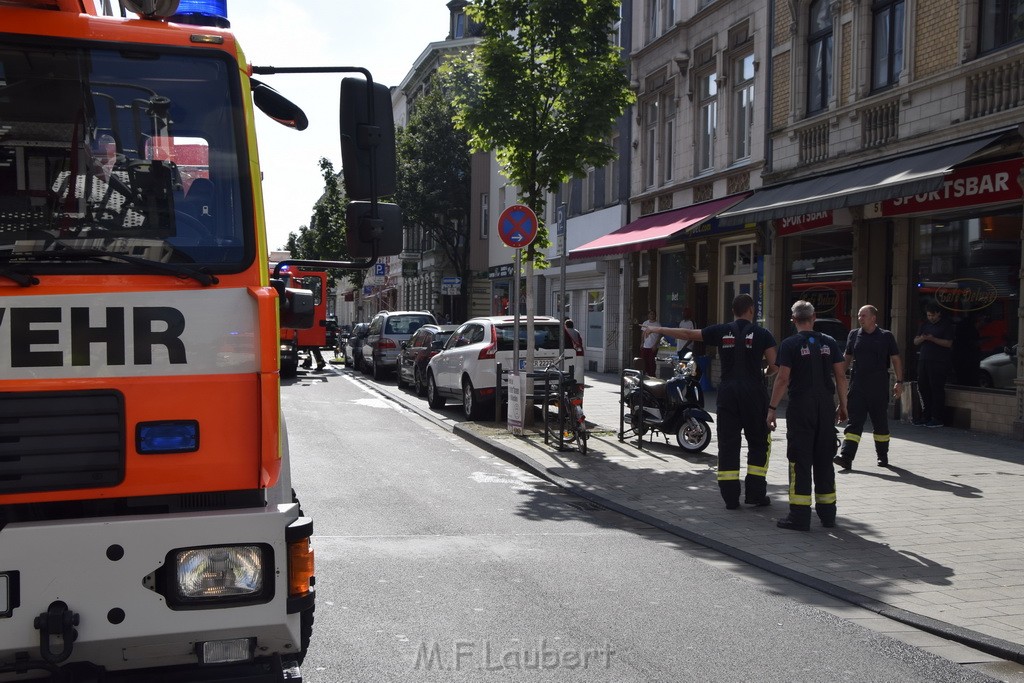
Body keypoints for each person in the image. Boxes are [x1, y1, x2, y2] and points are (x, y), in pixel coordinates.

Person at [645, 294, 778, 509]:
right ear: (751, 310)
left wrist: (658, 330)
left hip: (728, 394)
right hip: (754, 394)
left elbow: (688, 334)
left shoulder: (722, 331)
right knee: (758, 443)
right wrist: (764, 372)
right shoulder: (763, 334)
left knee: (728, 444)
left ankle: (730, 498)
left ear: (733, 311)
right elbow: (775, 365)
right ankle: (755, 494)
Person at [768, 300, 848, 531]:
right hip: (824, 408)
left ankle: (800, 516)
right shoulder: (829, 342)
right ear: (814, 318)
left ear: (793, 320)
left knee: (800, 460)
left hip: (801, 408)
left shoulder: (789, 344)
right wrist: (843, 405)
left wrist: (772, 409)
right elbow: (841, 377)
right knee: (824, 459)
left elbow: (782, 379)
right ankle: (828, 515)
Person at [835, 305, 904, 469]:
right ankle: (846, 457)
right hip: (857, 386)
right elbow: (847, 357)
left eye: (863, 315)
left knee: (880, 424)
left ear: (873, 318)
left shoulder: (886, 336)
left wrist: (899, 381)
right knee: (854, 423)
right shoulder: (854, 334)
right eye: (859, 315)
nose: (860, 318)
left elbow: (896, 359)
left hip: (878, 388)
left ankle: (882, 456)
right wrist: (840, 376)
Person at [913, 303, 954, 427]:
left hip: (938, 361)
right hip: (924, 359)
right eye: (928, 315)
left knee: (936, 388)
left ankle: (937, 417)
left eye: (932, 315)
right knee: (923, 386)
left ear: (938, 313)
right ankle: (926, 415)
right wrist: (922, 339)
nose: (930, 318)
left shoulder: (946, 325)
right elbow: (915, 341)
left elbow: (948, 343)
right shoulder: (924, 324)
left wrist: (933, 339)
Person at [639, 310, 661, 376]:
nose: (652, 315)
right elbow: (643, 334)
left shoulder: (658, 324)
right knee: (644, 362)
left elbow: (659, 336)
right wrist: (642, 343)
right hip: (645, 346)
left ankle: (652, 375)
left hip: (653, 347)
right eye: (650, 314)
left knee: (651, 362)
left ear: (655, 315)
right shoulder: (645, 323)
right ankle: (645, 374)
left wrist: (655, 345)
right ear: (648, 315)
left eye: (653, 314)